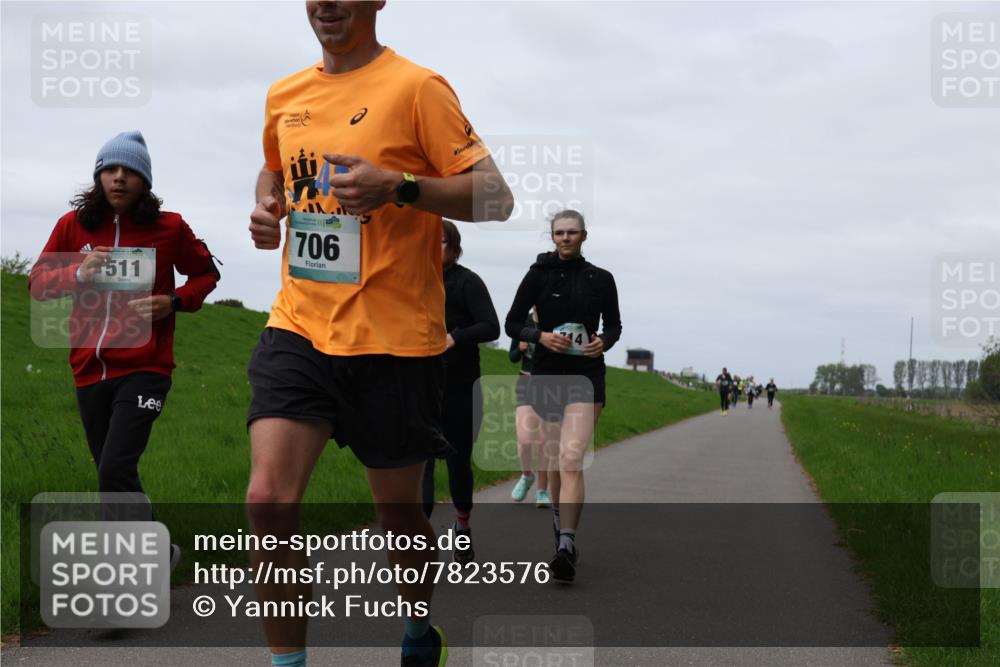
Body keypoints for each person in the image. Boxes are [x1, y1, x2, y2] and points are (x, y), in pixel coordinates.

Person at [244, 3, 513, 666]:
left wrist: (403, 188)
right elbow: (274, 167)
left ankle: (419, 630)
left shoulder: (417, 88)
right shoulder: (286, 94)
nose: (326, 3)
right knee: (267, 500)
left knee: (399, 516)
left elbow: (497, 198)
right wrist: (267, 205)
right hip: (299, 325)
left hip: (396, 342)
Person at [28, 130, 220, 568]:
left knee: (114, 467)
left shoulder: (169, 227)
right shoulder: (72, 227)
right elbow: (37, 285)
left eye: (129, 171)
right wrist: (77, 271)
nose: (118, 178)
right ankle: (159, 550)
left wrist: (172, 302)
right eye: (110, 170)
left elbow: (206, 276)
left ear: (144, 181)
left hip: (145, 368)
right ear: (98, 177)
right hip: (87, 370)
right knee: (114, 472)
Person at [504, 210, 622, 583]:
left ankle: (567, 545)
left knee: (571, 460)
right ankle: (559, 524)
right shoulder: (537, 276)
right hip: (547, 376)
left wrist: (606, 341)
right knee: (555, 459)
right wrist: (539, 337)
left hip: (587, 376)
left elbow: (614, 323)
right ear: (552, 236)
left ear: (584, 235)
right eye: (559, 233)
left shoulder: (601, 279)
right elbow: (511, 321)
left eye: (572, 232)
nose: (566, 238)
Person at [421, 220, 500, 564]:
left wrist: (455, 337)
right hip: (420, 386)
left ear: (454, 246)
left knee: (457, 463)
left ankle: (462, 525)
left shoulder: (468, 282)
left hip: (462, 387)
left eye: (439, 241)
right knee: (420, 462)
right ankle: (419, 538)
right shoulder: (412, 280)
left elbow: (491, 326)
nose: (432, 246)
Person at [509, 308, 551, 508]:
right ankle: (527, 476)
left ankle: (542, 492)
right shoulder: (523, 322)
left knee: (544, 440)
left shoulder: (555, 322)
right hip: (525, 381)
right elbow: (512, 357)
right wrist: (521, 348)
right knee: (525, 440)